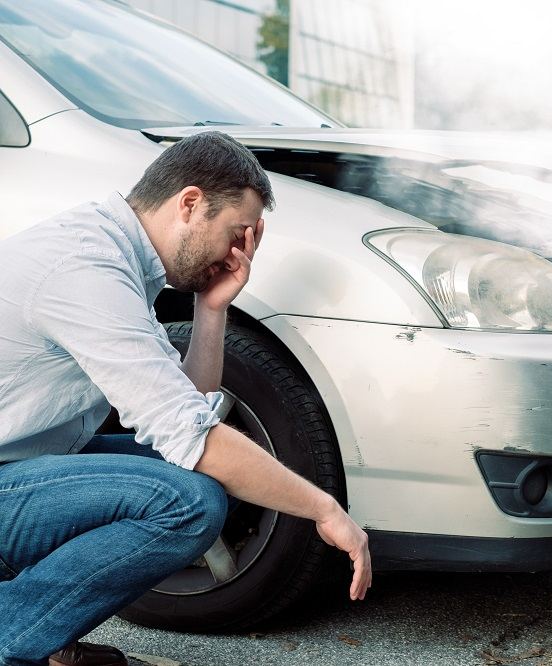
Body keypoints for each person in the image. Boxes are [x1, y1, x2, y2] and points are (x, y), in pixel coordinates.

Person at [0, 131, 372, 666]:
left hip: (20, 466)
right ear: (191, 203)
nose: (236, 252)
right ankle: (14, 634)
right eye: (234, 233)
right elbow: (192, 438)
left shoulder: (113, 253)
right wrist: (325, 509)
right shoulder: (87, 269)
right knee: (188, 502)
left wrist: (212, 309)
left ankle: (44, 637)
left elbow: (186, 410)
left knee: (215, 473)